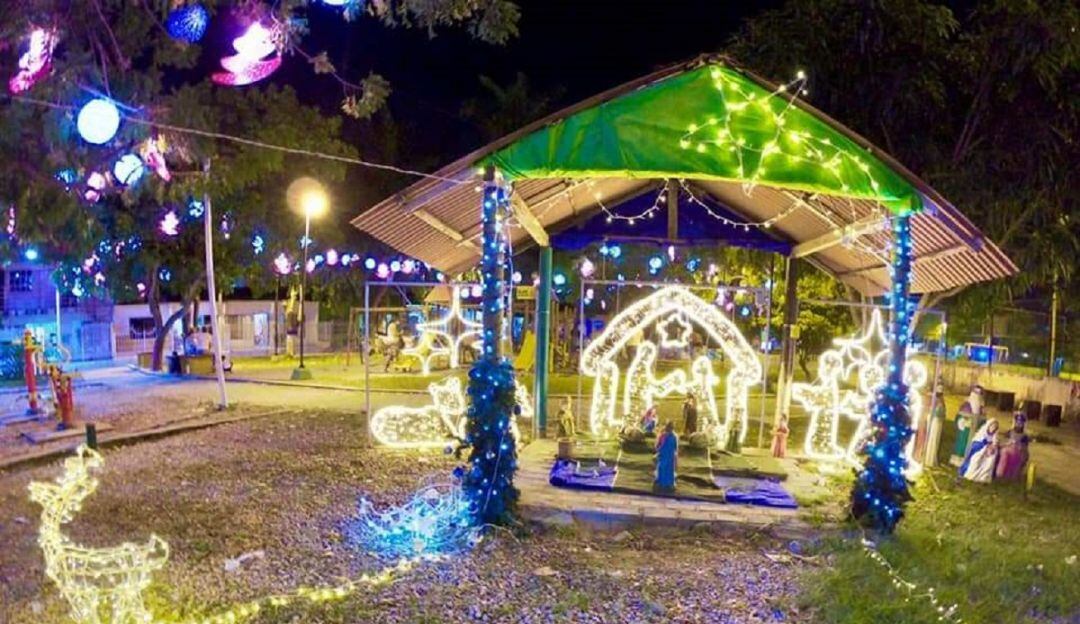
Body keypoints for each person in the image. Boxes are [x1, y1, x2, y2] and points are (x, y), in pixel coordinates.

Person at [951, 385, 984, 465]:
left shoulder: (981, 408)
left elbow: (982, 419)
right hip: (965, 430)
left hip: (974, 430)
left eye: (979, 393)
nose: (977, 395)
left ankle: (968, 459)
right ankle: (958, 460)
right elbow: (960, 417)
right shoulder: (966, 405)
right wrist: (965, 422)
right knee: (962, 444)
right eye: (976, 392)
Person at [960, 418, 999, 483]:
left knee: (992, 457)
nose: (993, 428)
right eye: (992, 426)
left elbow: (995, 443)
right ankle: (969, 473)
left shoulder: (994, 435)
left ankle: (983, 476)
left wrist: (992, 448)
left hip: (987, 453)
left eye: (995, 427)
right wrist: (985, 447)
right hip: (978, 451)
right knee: (975, 460)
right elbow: (977, 443)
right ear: (989, 426)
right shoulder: (982, 433)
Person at [995, 412, 1031, 481]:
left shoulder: (1024, 436)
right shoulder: (1009, 432)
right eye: (1017, 422)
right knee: (1003, 453)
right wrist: (1007, 443)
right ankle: (999, 474)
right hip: (1006, 449)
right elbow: (1002, 441)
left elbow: (1025, 449)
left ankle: (1009, 476)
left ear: (1023, 424)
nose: (1018, 424)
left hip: (1017, 453)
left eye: (1020, 423)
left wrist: (1019, 446)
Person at [923, 385, 947, 467]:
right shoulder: (935, 400)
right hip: (934, 422)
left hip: (937, 422)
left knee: (934, 440)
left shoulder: (940, 401)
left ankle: (931, 458)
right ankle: (928, 458)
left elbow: (942, 413)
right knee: (931, 439)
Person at [654, 421, 678, 492]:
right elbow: (675, 447)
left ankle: (661, 484)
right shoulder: (674, 436)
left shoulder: (663, 436)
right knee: (669, 470)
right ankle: (668, 484)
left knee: (662, 468)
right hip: (670, 456)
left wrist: (658, 451)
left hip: (664, 455)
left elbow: (658, 446)